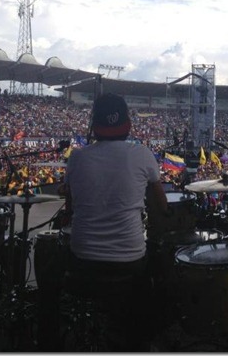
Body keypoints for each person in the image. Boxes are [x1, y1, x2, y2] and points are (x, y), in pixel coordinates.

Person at [63, 92, 168, 351]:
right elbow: (162, 207)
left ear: (93, 125)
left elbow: (70, 209)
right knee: (160, 270)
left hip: (83, 258)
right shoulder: (142, 154)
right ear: (127, 124)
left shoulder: (76, 158)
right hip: (129, 261)